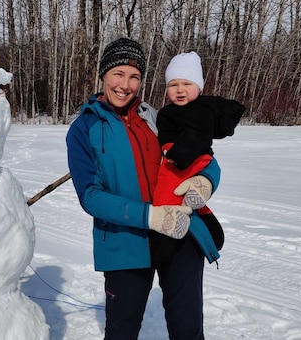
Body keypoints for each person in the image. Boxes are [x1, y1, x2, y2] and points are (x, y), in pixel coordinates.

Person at [66, 38, 221, 340]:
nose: (125, 85)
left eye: (134, 77)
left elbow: (203, 157)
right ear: (104, 75)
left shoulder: (157, 118)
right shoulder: (83, 129)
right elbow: (90, 197)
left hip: (180, 232)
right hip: (124, 243)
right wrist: (150, 217)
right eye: (118, 74)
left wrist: (206, 180)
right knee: (121, 332)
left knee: (188, 330)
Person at [150, 51, 245, 266]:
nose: (180, 90)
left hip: (184, 160)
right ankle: (207, 220)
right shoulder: (170, 112)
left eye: (186, 83)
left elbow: (198, 135)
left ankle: (163, 240)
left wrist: (173, 152)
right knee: (189, 197)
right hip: (195, 160)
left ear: (199, 87)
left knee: (166, 197)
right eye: (173, 85)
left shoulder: (199, 111)